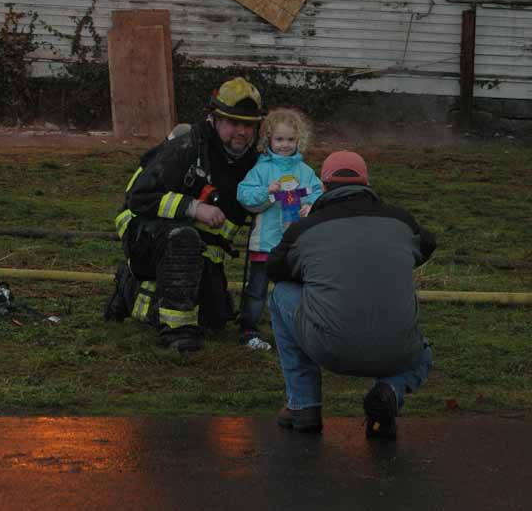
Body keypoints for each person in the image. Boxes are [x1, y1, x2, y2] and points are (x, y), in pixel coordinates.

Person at [266, 150, 435, 437]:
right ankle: (389, 390)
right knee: (423, 354)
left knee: (281, 294)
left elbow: (275, 269)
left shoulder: (305, 229)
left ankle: (304, 405)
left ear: (324, 185)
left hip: (330, 346)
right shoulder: (402, 222)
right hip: (398, 350)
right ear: (367, 183)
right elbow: (427, 245)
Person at [108, 77, 262, 353]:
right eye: (233, 123)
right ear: (214, 119)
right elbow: (140, 197)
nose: (241, 131)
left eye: (248, 125)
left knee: (216, 318)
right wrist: (193, 208)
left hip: (200, 251)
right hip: (144, 233)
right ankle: (179, 333)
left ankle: (131, 290)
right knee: (183, 237)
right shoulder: (187, 147)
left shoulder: (251, 163)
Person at [236, 108, 323, 351]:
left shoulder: (304, 172)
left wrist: (310, 205)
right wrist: (267, 192)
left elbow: (319, 193)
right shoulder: (261, 170)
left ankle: (294, 331)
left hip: (295, 245)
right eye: (279, 139)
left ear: (299, 141)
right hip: (265, 243)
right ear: (268, 140)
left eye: (290, 140)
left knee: (293, 290)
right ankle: (248, 331)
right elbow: (243, 194)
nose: (285, 145)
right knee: (256, 291)